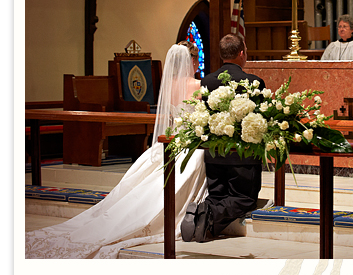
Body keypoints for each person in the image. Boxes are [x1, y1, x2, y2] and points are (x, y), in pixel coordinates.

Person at [25, 42, 207, 259]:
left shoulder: (167, 87)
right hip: (190, 144)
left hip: (168, 143)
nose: (196, 65)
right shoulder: (198, 85)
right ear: (192, 61)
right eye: (195, 61)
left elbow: (169, 118)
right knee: (200, 159)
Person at [185, 33, 266, 243]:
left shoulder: (208, 81)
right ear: (242, 53)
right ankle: (207, 213)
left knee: (218, 195)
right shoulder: (255, 83)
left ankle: (204, 213)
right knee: (245, 200)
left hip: (214, 154)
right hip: (243, 158)